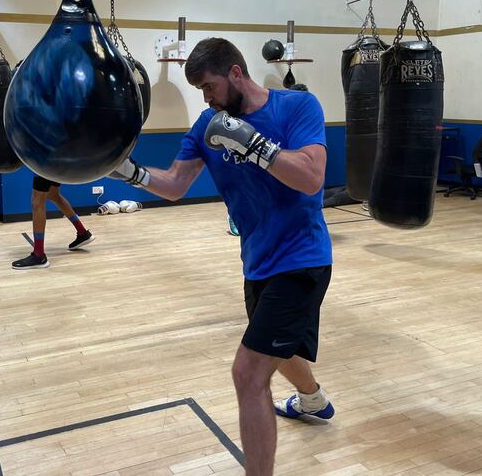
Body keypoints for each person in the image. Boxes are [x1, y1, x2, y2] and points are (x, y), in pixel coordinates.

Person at [109, 38, 333, 476]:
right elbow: (174, 184)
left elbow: (311, 178)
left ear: (235, 73)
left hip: (303, 258)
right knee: (279, 349)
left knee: (248, 372)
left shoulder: (297, 108)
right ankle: (313, 400)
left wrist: (256, 145)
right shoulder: (208, 124)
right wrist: (127, 172)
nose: (206, 98)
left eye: (209, 87)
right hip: (259, 260)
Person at [12, 176, 94, 270]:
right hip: (58, 165)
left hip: (45, 164)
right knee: (53, 194)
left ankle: (39, 255)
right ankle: (82, 233)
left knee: (37, 200)